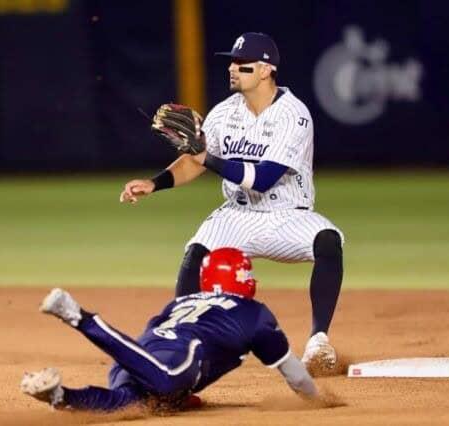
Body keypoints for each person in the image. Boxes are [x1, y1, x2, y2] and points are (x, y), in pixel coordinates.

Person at [119, 32, 344, 371]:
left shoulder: (293, 115)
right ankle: (183, 344)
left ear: (266, 69)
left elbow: (264, 177)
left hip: (287, 215)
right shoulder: (224, 114)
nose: (233, 68)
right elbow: (194, 162)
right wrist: (154, 183)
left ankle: (318, 342)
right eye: (232, 61)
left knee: (328, 241)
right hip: (237, 213)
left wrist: (205, 156)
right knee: (195, 253)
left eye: (243, 64)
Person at [20, 247, 318, 412]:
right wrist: (319, 402)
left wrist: (182, 398)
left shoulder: (181, 302)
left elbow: (154, 328)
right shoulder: (254, 313)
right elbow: (296, 376)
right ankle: (80, 317)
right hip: (179, 356)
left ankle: (60, 396)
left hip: (142, 353)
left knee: (127, 405)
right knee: (167, 381)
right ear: (243, 278)